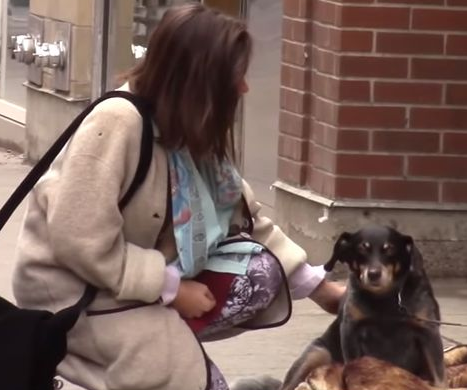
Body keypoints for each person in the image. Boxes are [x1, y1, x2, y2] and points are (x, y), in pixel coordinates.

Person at [11, 4, 344, 390]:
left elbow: (246, 218)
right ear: (200, 80)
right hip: (78, 295)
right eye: (234, 76)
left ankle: (162, 340)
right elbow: (79, 241)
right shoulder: (116, 123)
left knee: (260, 273)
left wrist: (324, 291)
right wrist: (171, 289)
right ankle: (141, 352)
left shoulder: (185, 127)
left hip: (130, 279)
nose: (244, 88)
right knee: (196, 382)